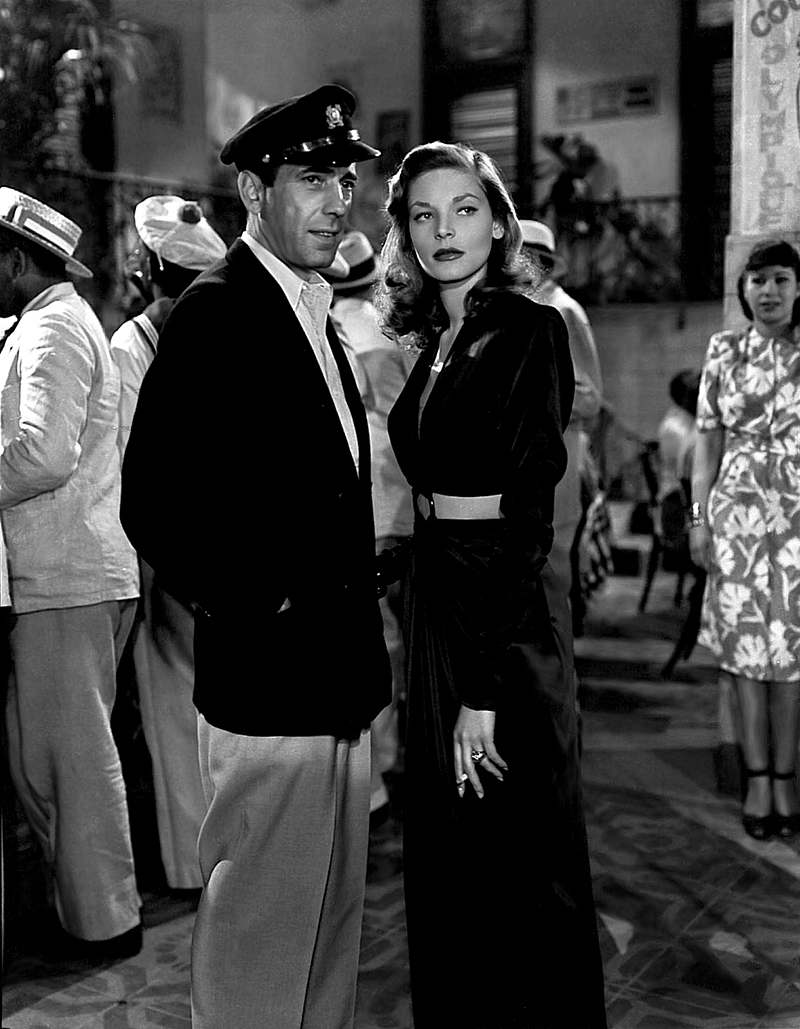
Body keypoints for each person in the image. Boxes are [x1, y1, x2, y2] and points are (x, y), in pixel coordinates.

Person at [120, 85, 391, 1029]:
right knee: (260, 937)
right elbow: (153, 499)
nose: (337, 201)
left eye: (345, 181)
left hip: (336, 679)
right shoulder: (220, 310)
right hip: (273, 683)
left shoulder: (309, 308)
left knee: (326, 928)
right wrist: (257, 601)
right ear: (252, 189)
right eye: (312, 179)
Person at [378, 141, 607, 1029]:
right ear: (404, 231)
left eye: (464, 209)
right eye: (423, 214)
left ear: (499, 224)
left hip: (501, 614)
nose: (444, 229)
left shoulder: (528, 330)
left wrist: (481, 687)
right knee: (450, 841)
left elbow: (527, 520)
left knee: (521, 850)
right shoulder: (437, 338)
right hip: (439, 595)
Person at [0, 188, 141, 959]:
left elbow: (45, 454)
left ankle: (106, 924)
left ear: (16, 261)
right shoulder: (49, 320)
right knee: (45, 760)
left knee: (72, 764)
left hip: (67, 576)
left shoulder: (53, 329)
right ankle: (87, 914)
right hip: (64, 576)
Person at [110, 195, 226, 892]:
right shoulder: (231, 322)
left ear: (150, 266)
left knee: (175, 707)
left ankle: (192, 864)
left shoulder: (137, 342)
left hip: (166, 547)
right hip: (228, 540)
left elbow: (130, 459)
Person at [690, 238, 800, 842]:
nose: (769, 291)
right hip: (735, 517)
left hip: (797, 520)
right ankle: (758, 779)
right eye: (758, 280)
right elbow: (706, 444)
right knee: (744, 656)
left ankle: (786, 777)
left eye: (781, 278)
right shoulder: (724, 350)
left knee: (791, 658)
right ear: (744, 289)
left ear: (798, 287)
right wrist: (698, 519)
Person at [327, 230, 416, 815]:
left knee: (374, 636)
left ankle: (377, 767)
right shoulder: (396, 329)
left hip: (364, 497)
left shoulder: (331, 326)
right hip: (405, 489)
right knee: (405, 636)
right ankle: (408, 755)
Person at [519, 219, 604, 606]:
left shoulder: (563, 310)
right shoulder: (525, 308)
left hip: (559, 452)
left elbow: (589, 397)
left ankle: (559, 638)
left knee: (553, 563)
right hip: (528, 456)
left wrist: (531, 400)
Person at [657, 367, 700, 505]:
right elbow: (695, 462)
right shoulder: (674, 427)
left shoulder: (695, 420)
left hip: (692, 496)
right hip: (677, 500)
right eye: (697, 390)